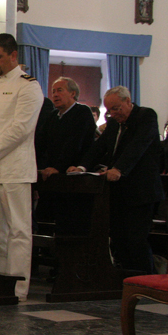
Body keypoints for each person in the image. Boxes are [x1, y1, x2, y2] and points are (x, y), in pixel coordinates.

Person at [0, 33, 44, 301]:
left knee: (18, 230)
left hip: (14, 168)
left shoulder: (28, 86)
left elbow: (21, 129)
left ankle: (18, 288)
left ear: (14, 56)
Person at [68, 86, 164, 274]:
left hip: (142, 191)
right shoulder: (113, 124)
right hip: (119, 192)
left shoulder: (146, 116)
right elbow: (99, 148)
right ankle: (123, 279)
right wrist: (81, 167)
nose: (112, 114)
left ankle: (146, 281)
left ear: (128, 101)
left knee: (136, 239)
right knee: (118, 239)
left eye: (116, 108)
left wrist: (119, 168)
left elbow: (138, 146)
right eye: (109, 110)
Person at [34, 77, 97, 235]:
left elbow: (75, 143)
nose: (55, 94)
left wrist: (58, 167)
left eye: (60, 90)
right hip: (52, 177)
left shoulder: (82, 112)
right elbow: (40, 144)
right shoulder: (53, 117)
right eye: (53, 91)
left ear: (73, 93)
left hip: (73, 179)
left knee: (69, 225)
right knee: (43, 220)